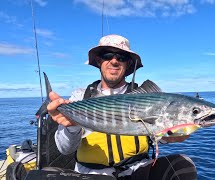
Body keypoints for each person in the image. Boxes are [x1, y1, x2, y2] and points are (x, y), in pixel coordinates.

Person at [47, 34, 197, 179]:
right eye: (107, 55)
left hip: (138, 169)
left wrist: (171, 136)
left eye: (121, 57)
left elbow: (159, 135)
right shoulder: (80, 98)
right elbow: (65, 149)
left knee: (183, 165)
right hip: (92, 174)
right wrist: (72, 126)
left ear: (128, 64)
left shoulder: (145, 97)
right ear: (99, 61)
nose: (114, 61)